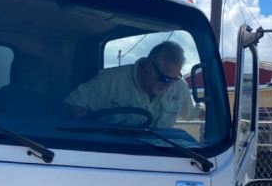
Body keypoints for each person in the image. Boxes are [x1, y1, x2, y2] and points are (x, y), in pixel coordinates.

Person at [64, 40, 204, 128]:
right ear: (149, 67)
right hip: (113, 157)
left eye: (175, 79)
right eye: (165, 79)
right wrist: (93, 138)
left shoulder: (178, 86)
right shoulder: (112, 79)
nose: (169, 85)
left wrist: (222, 118)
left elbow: (196, 112)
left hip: (160, 160)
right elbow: (75, 102)